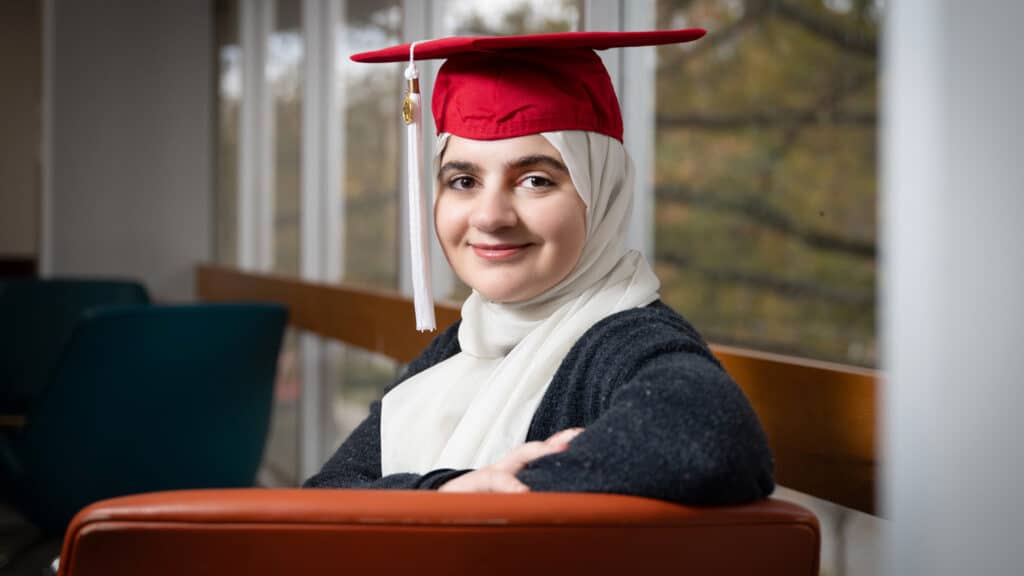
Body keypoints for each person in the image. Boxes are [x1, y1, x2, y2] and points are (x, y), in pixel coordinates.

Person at [304, 30, 774, 504]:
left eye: (534, 180)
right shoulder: (466, 343)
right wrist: (449, 490)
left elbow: (710, 436)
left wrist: (490, 495)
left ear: (602, 191)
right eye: (463, 180)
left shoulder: (625, 341)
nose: (490, 217)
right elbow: (325, 496)